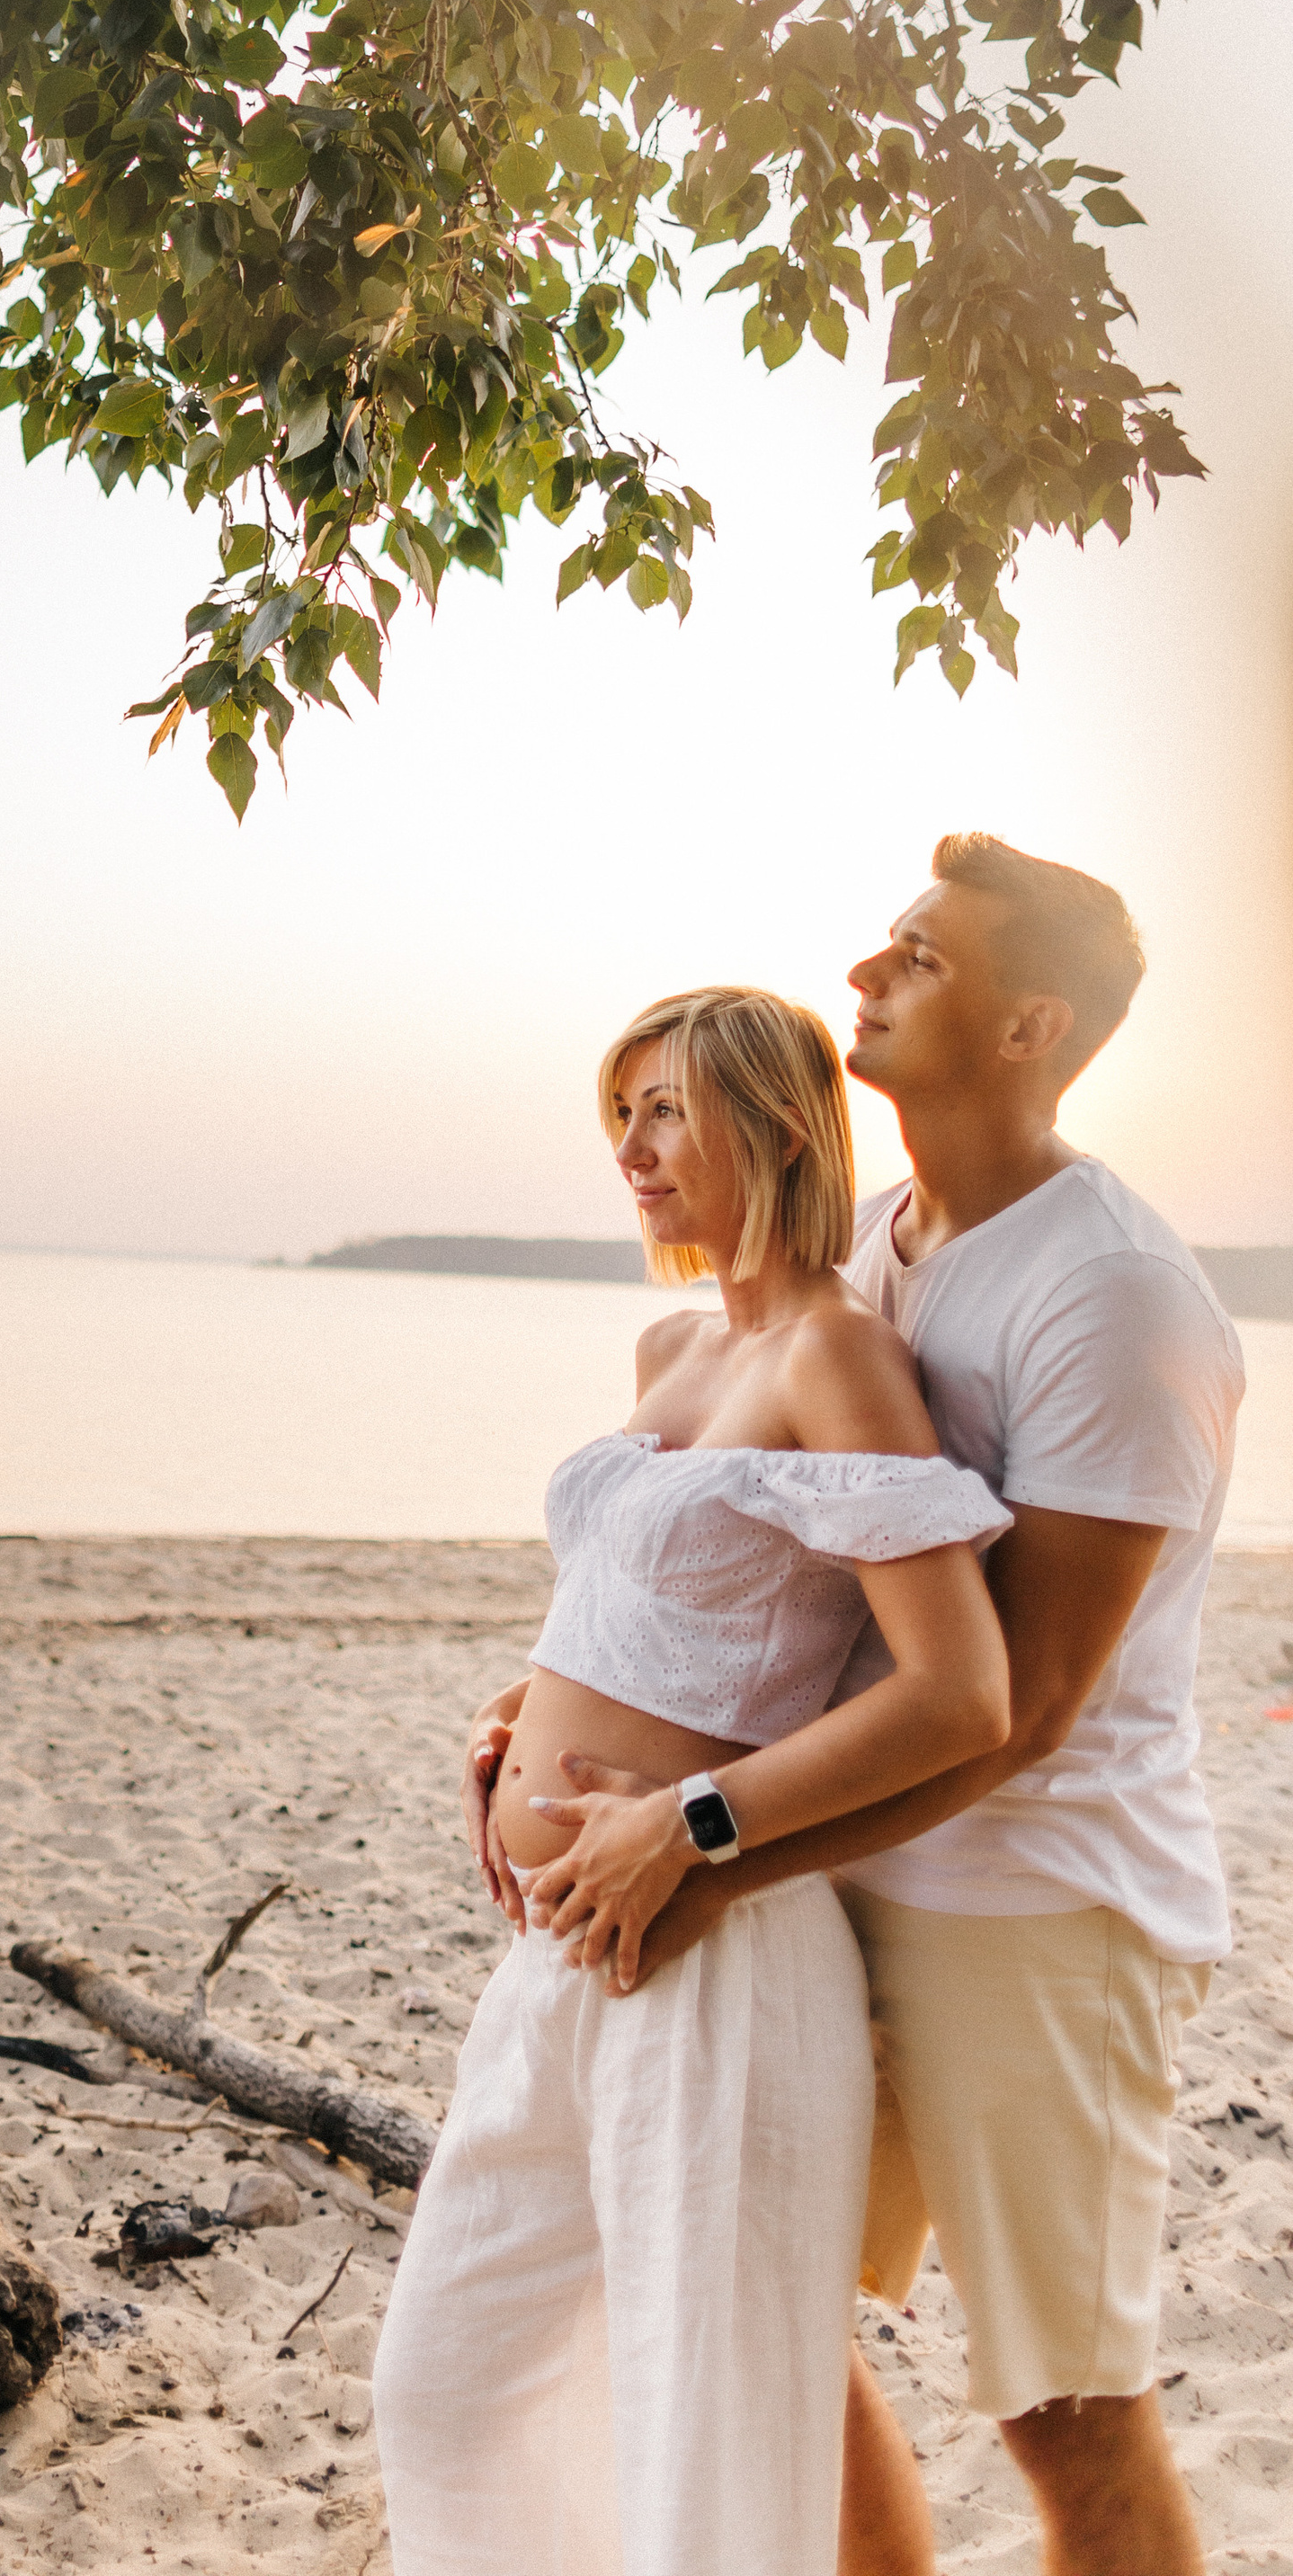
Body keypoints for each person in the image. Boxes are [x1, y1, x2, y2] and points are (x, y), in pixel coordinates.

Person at [519, 836, 1243, 2576]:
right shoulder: (865, 1241)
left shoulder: (1117, 1302)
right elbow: (751, 1561)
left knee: (1064, 2409)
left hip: (1035, 1915)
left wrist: (696, 1839)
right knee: (762, 2320)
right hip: (829, 1874)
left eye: (921, 957)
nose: (869, 972)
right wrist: (554, 1719)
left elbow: (1025, 1710)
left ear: (1030, 1026)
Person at [374, 985, 1014, 2576]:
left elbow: (963, 1693)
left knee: (703, 2442)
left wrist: (690, 1817)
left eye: (667, 1112)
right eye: (623, 1114)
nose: (633, 1150)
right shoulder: (669, 1342)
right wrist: (519, 1714)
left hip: (713, 1947)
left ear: (778, 1127)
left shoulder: (842, 1361)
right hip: (555, 1951)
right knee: (447, 2385)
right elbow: (665, 1602)